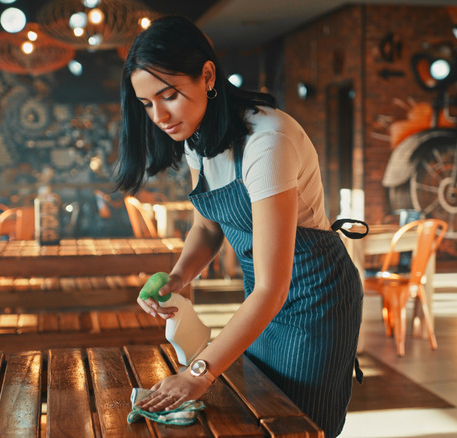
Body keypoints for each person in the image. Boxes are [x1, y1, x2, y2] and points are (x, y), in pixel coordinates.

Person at [115, 15, 365, 436]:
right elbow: (208, 228)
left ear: (207, 75)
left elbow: (274, 286)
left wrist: (198, 373)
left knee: (299, 424)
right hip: (264, 296)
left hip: (316, 300)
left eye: (169, 95)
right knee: (261, 411)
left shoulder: (267, 140)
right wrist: (177, 277)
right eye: (146, 104)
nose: (158, 115)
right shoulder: (198, 138)